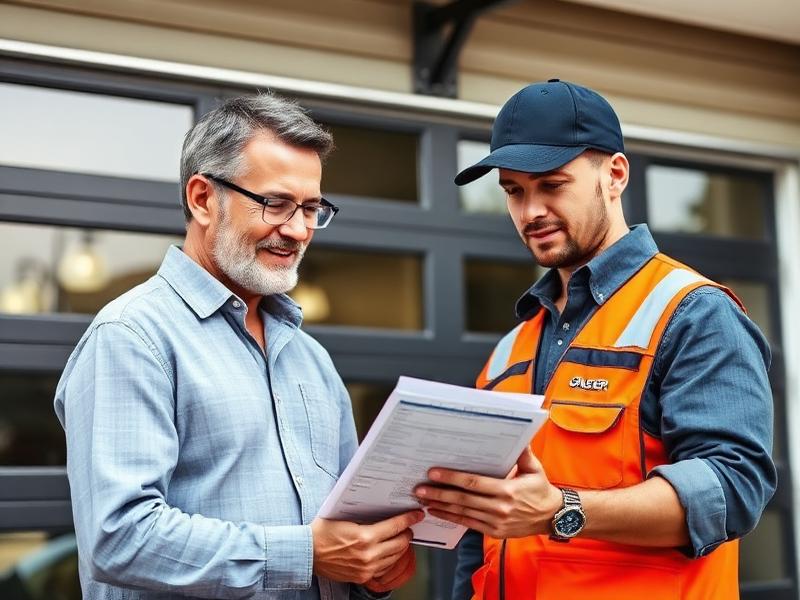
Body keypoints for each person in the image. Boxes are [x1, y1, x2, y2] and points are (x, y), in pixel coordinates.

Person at [413, 79, 776, 599]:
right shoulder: (510, 348)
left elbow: (733, 489)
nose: (529, 211)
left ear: (615, 175)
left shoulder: (692, 312)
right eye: (513, 191)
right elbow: (482, 533)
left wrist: (561, 510)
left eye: (552, 185)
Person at [54, 93, 423, 600]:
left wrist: (371, 565)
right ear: (203, 198)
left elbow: (342, 532)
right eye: (275, 203)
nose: (296, 230)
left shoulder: (310, 359)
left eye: (312, 208)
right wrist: (307, 553)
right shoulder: (132, 336)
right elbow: (119, 536)